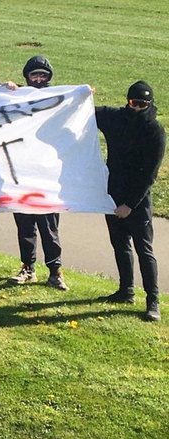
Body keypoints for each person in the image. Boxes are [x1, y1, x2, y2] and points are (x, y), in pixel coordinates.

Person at [95, 81, 164, 321]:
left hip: (138, 200)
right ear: (128, 101)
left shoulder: (155, 131)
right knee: (120, 244)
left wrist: (130, 205)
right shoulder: (115, 118)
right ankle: (126, 290)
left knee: (144, 249)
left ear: (149, 104)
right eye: (134, 103)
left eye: (143, 105)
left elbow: (150, 175)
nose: (137, 109)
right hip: (113, 194)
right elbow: (86, 111)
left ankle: (153, 301)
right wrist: (83, 94)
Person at [8, 55, 68, 290]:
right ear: (27, 77)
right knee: (24, 225)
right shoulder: (17, 97)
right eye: (35, 75)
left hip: (47, 177)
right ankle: (27, 267)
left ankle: (55, 271)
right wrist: (6, 88)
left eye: (44, 75)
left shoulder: (58, 99)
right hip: (20, 175)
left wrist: (82, 95)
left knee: (49, 227)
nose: (39, 79)